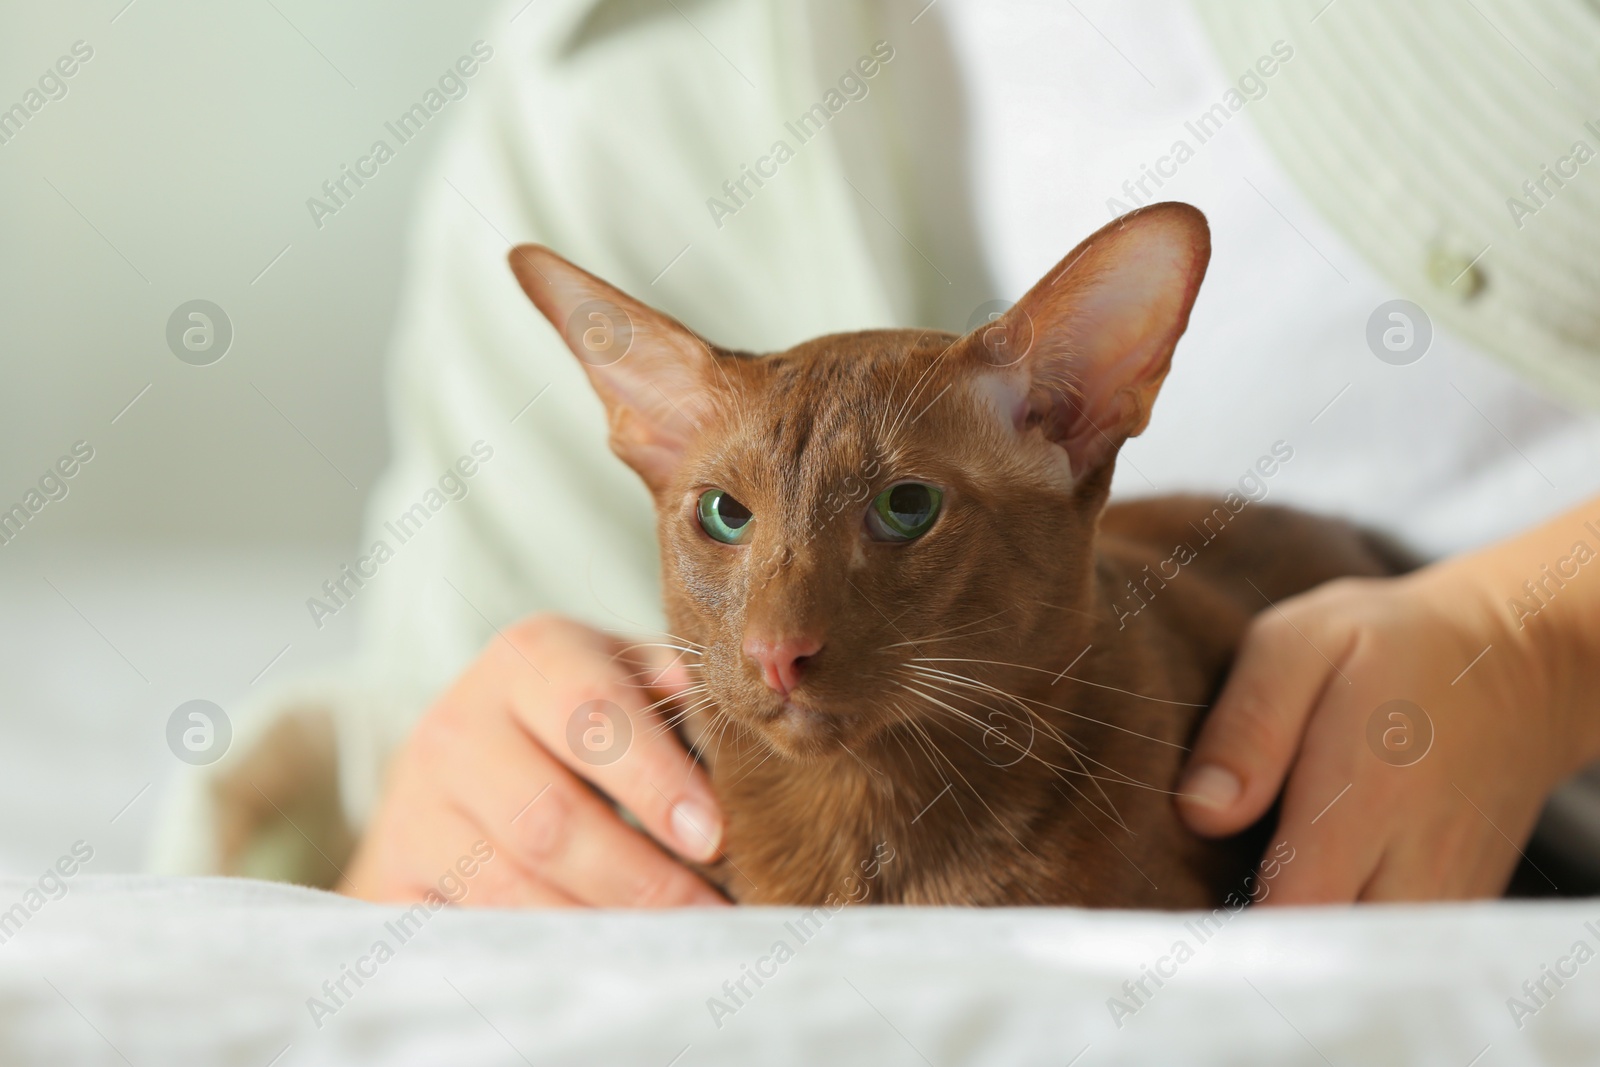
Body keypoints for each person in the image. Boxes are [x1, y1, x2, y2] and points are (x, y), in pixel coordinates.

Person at [151, 0, 1600, 906]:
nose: (779, 636)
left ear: (1089, 416)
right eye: (716, 515)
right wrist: (442, 834)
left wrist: (1545, 642)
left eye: (901, 509)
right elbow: (442, 716)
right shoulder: (587, 87)